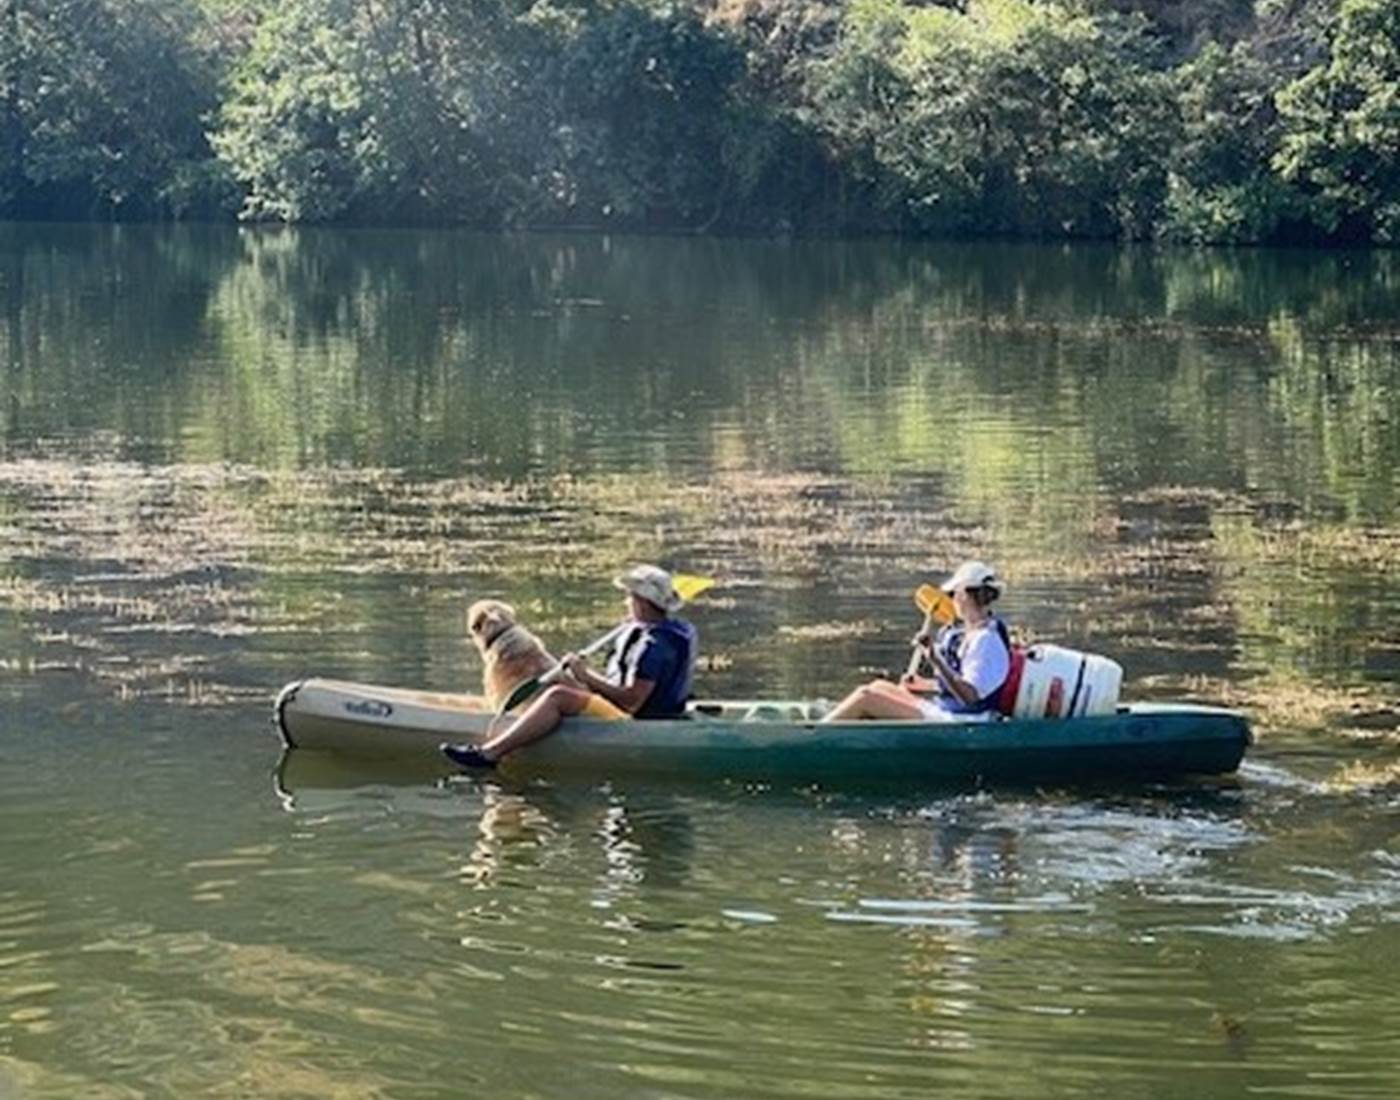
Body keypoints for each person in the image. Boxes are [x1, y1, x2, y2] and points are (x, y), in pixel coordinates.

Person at [441, 564, 699, 768]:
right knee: (567, 688)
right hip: (662, 712)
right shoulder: (675, 630)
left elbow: (632, 702)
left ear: (641, 602)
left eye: (629, 597)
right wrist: (585, 676)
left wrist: (586, 676)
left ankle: (489, 754)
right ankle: (531, 722)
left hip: (635, 721)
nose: (625, 603)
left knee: (558, 696)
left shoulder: (651, 645)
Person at [820, 560, 1011, 723]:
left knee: (866, 697)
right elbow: (966, 682)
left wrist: (935, 659)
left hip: (963, 721)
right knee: (879, 686)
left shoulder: (985, 640)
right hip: (948, 711)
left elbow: (970, 696)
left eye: (952, 595)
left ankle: (814, 735)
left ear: (963, 595)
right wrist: (925, 685)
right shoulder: (972, 633)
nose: (952, 600)